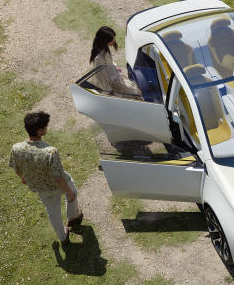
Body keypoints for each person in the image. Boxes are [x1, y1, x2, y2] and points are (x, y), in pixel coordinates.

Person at [9, 111, 83, 245]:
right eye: (45, 127)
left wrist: (23, 178)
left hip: (41, 189)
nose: (47, 128)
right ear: (39, 131)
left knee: (53, 213)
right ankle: (72, 217)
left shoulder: (17, 148)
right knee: (73, 193)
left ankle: (62, 237)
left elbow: (16, 167)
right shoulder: (50, 152)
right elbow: (58, 177)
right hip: (58, 186)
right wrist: (69, 192)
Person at [89, 26, 140, 96]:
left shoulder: (105, 49)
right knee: (135, 94)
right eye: (112, 39)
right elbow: (102, 79)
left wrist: (115, 66)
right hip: (111, 86)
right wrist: (110, 93)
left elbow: (109, 63)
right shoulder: (99, 59)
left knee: (135, 89)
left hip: (116, 77)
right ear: (105, 41)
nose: (114, 40)